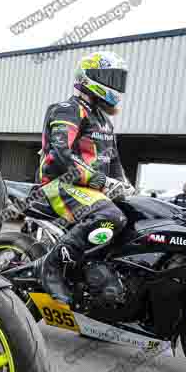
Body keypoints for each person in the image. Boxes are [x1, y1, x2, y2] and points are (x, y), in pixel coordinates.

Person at [34, 51, 135, 305]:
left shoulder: (104, 121)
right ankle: (52, 266)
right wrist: (101, 182)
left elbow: (113, 163)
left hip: (90, 190)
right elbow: (59, 156)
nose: (115, 84)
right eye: (109, 77)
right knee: (112, 216)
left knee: (134, 214)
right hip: (59, 184)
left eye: (117, 78)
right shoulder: (68, 110)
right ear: (89, 78)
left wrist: (128, 188)